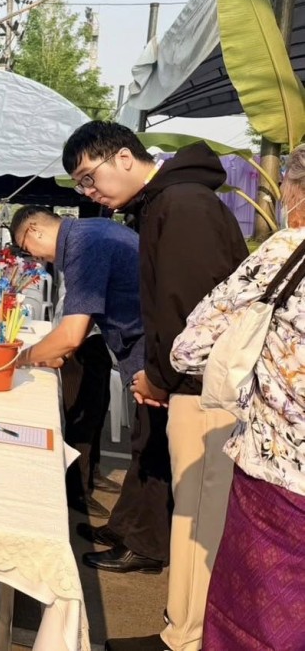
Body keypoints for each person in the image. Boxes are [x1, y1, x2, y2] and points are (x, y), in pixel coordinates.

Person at [63, 121, 248, 651]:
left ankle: (187, 637)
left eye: (89, 176)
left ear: (124, 156)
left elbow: (193, 309)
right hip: (188, 383)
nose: (89, 191)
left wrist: (162, 377)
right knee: (191, 513)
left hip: (203, 387)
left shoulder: (182, 204)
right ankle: (181, 628)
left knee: (201, 517)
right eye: (79, 184)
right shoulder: (166, 202)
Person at [171, 143, 305, 651]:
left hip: (281, 478)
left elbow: (190, 349)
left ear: (296, 190)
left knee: (257, 624)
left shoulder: (289, 250)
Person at [9, 206, 143, 516]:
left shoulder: (84, 244)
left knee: (93, 416)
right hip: (123, 341)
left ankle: (118, 520)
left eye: (28, 248)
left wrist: (23, 358)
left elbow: (71, 333)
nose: (36, 257)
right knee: (98, 412)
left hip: (139, 347)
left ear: (34, 230)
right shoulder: (90, 232)